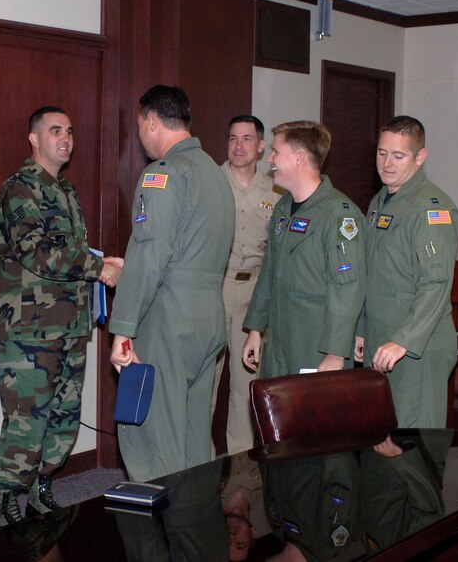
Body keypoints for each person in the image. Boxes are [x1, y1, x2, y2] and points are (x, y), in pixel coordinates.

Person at [0, 106, 122, 525]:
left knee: (63, 414)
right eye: (54, 131)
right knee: (27, 417)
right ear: (33, 138)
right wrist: (99, 267)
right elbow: (38, 254)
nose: (64, 138)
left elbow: (72, 252)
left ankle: (43, 485)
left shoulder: (66, 191)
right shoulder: (20, 190)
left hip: (70, 325)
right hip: (30, 330)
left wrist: (99, 261)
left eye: (69, 131)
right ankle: (9, 498)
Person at [109, 84, 235, 482]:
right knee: (194, 431)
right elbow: (189, 249)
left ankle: (165, 525)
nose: (140, 134)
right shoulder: (215, 173)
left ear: (150, 120)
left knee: (156, 434)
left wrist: (123, 329)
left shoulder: (162, 174)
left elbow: (150, 257)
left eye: (139, 125)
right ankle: (195, 525)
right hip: (209, 318)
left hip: (168, 322)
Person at [355, 115, 458, 427]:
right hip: (382, 339)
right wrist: (361, 328)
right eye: (381, 152)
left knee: (413, 451)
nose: (386, 163)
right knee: (382, 441)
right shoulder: (381, 200)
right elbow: (372, 273)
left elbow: (436, 283)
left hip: (416, 348)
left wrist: (404, 340)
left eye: (398, 155)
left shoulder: (431, 209)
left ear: (420, 156)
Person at [241, 121, 365, 379]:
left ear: (299, 158)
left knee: (315, 418)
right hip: (278, 340)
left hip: (316, 345)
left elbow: (347, 289)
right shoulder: (283, 208)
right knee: (277, 415)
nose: (269, 160)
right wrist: (255, 328)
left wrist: (335, 352)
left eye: (275, 152)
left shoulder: (339, 215)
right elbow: (269, 273)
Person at [211, 115, 283, 456]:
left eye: (247, 139)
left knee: (246, 384)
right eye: (233, 138)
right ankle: (198, 463)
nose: (238, 146)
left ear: (261, 146)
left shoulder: (276, 191)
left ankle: (241, 464)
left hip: (252, 294)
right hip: (213, 289)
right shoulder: (209, 181)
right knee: (204, 384)